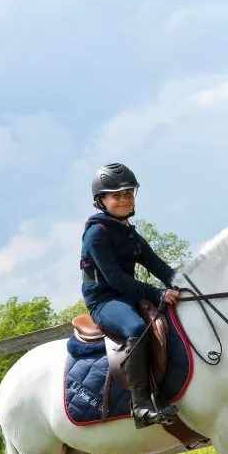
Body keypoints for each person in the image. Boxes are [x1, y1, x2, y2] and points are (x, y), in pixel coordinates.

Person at [79, 162, 181, 428]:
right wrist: (156, 292)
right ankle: (141, 406)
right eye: (117, 195)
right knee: (137, 327)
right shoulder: (96, 235)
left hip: (128, 296)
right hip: (105, 301)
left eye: (128, 193)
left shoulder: (128, 232)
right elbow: (115, 279)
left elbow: (157, 265)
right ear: (101, 201)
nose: (124, 199)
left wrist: (183, 283)